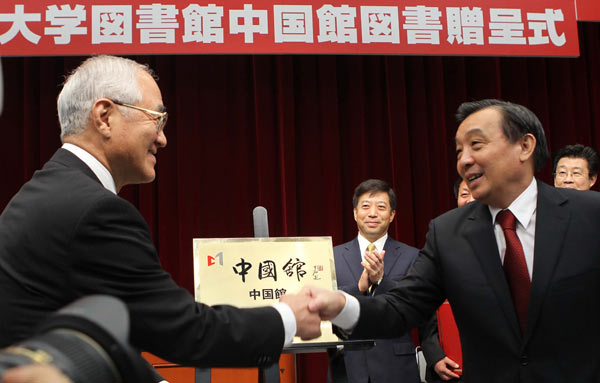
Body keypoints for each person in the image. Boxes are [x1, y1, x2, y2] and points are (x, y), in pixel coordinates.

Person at [0, 55, 321, 368]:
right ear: (104, 116)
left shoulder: (50, 189)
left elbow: (101, 338)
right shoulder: (95, 210)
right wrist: (288, 317)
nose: (163, 139)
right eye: (157, 119)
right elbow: (186, 332)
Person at [307, 99, 600, 382]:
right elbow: (400, 309)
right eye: (459, 151)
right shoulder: (448, 232)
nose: (464, 160)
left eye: (476, 145)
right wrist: (339, 305)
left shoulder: (589, 215)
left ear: (524, 146)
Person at [333, 179, 456, 383]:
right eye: (365, 206)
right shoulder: (333, 256)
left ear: (392, 215)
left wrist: (382, 280)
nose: (373, 213)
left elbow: (423, 311)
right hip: (347, 367)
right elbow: (325, 309)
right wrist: (359, 287)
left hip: (397, 369)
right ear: (355, 213)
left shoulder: (414, 256)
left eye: (381, 207)